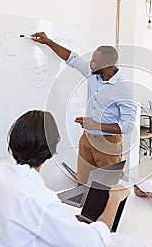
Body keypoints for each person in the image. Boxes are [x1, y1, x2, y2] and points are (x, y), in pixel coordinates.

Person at [0, 110, 129, 247]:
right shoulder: (38, 198)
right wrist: (114, 199)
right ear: (51, 150)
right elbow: (93, 243)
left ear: (12, 140)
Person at [31, 32, 137, 184]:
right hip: (87, 139)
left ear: (106, 65)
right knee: (82, 183)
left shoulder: (123, 89)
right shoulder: (93, 72)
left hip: (108, 144)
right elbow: (72, 58)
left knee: (106, 189)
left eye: (95, 61)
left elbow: (127, 126)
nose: (91, 63)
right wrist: (48, 42)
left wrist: (97, 125)